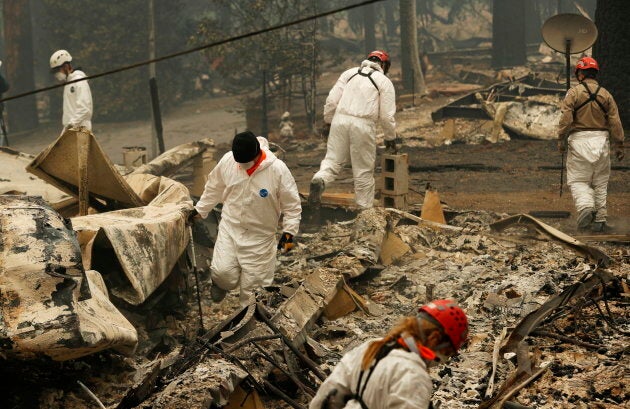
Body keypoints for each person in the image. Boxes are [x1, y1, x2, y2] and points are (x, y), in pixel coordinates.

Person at [192, 130, 301, 306]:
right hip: (230, 228)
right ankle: (220, 284)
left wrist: (288, 235)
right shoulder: (228, 161)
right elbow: (214, 187)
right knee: (222, 273)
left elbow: (293, 206)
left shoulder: (277, 170)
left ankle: (251, 328)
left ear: (257, 154)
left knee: (254, 294)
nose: (242, 166)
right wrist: (199, 210)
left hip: (260, 237)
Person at [309, 299, 469, 409]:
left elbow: (325, 398)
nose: (443, 360)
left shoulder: (371, 347)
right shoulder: (414, 377)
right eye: (447, 352)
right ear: (434, 338)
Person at [309, 50, 397, 209]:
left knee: (332, 160)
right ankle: (364, 211)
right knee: (363, 170)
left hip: (339, 120)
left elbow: (331, 101)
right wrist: (390, 138)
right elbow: (386, 116)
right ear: (383, 64)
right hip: (363, 124)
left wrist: (329, 122)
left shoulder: (349, 74)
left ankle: (320, 179)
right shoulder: (384, 82)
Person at [558, 56, 625, 232]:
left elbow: (566, 119)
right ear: (595, 73)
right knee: (601, 182)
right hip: (601, 141)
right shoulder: (606, 94)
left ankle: (586, 207)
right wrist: (619, 145)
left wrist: (560, 139)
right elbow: (615, 122)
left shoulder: (573, 93)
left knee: (579, 180)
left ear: (580, 73)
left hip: (579, 141)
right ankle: (600, 220)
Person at [49, 50, 93, 132]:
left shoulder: (79, 80)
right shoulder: (68, 83)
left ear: (66, 66)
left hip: (81, 128)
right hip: (72, 129)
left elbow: (84, 108)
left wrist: (71, 124)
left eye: (57, 70)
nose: (56, 74)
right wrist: (67, 129)